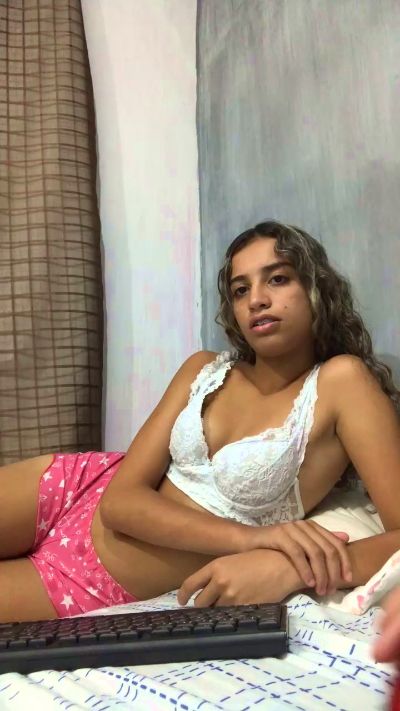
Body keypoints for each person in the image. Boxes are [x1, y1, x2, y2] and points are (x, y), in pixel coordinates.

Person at [1, 220, 400, 623]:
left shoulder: (343, 383)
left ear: (316, 289)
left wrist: (295, 567)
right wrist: (254, 540)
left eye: (277, 279)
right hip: (72, 488)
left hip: (92, 584)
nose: (256, 300)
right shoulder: (204, 369)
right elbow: (119, 504)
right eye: (240, 289)